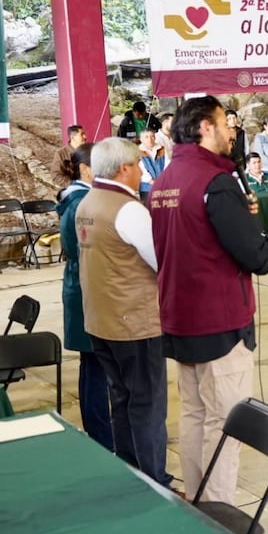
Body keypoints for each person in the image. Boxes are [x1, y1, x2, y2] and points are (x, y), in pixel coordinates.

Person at [149, 96, 268, 520]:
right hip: (218, 320)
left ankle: (198, 507)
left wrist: (241, 212)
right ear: (205, 127)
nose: (231, 131)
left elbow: (198, 235)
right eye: (224, 123)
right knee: (225, 423)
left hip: (179, 316)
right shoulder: (214, 181)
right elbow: (256, 256)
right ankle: (221, 520)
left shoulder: (165, 181)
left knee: (195, 415)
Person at [77, 137, 169, 486]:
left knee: (122, 399)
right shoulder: (128, 210)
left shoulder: (88, 201)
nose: (142, 172)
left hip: (101, 320)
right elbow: (163, 261)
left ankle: (132, 474)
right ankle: (154, 482)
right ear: (124, 168)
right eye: (138, 165)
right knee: (147, 406)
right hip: (135, 324)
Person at [55, 142, 112, 450]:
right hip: (88, 290)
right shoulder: (82, 203)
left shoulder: (77, 199)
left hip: (82, 287)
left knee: (93, 367)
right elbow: (89, 252)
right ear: (86, 169)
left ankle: (99, 431)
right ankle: (102, 436)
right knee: (97, 368)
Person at [51, 124, 86, 188]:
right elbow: (56, 176)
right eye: (82, 134)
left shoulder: (87, 151)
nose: (85, 137)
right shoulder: (61, 154)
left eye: (84, 134)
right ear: (73, 137)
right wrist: (73, 185)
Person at [137, 128, 166, 202]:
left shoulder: (162, 149)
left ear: (155, 137)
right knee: (148, 206)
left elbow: (167, 165)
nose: (150, 139)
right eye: (146, 137)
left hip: (163, 185)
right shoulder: (137, 151)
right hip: (146, 187)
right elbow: (140, 169)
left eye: (152, 136)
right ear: (141, 139)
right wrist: (151, 181)